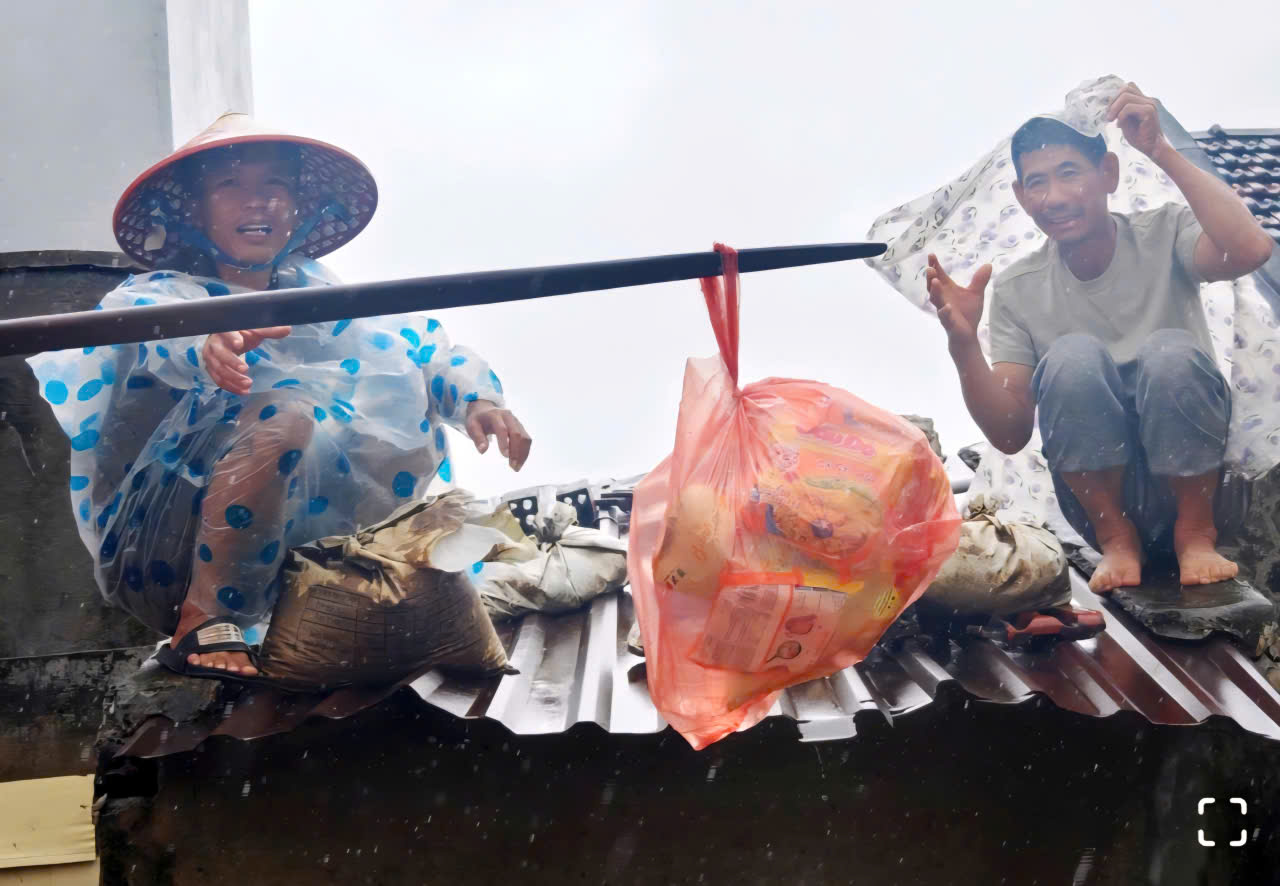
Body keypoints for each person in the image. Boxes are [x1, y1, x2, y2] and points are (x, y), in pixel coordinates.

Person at [27, 114, 532, 679]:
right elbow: (153, 339)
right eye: (231, 186)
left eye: (276, 186)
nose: (258, 201)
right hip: (162, 553)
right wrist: (206, 344)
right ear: (197, 212)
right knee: (287, 414)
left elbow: (418, 351)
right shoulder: (162, 296)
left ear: (298, 209)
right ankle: (204, 619)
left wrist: (478, 400)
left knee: (364, 413)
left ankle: (329, 592)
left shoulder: (324, 302)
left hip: (295, 569)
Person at [925, 83, 1274, 593]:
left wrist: (1161, 150)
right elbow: (1009, 432)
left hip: (1205, 487)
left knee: (1169, 352)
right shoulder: (1019, 289)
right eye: (1037, 183)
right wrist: (964, 344)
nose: (1056, 197)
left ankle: (1195, 532)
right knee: (1071, 357)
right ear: (1022, 198)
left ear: (1108, 174)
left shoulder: (1164, 232)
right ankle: (1117, 539)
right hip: (1102, 503)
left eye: (1070, 173)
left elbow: (1251, 248)